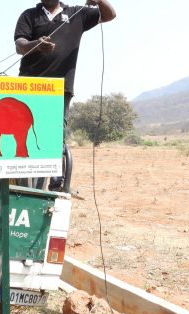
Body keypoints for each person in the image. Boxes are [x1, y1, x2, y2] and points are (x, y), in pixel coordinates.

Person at [14, 0, 116, 191]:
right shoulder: (29, 15)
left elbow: (109, 15)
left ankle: (55, 183)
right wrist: (36, 44)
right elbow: (20, 45)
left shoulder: (77, 14)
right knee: (24, 135)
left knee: (54, 136)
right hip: (28, 87)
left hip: (59, 89)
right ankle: (21, 186)